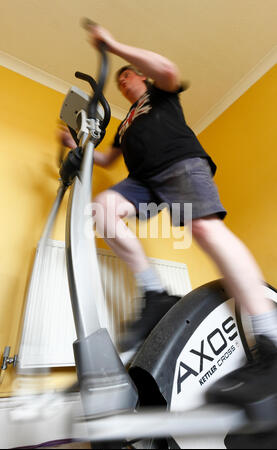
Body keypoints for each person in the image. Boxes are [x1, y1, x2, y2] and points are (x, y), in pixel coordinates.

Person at [60, 24, 277, 408]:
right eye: (120, 78)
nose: (123, 81)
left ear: (141, 78)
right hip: (142, 182)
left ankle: (271, 336)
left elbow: (168, 68)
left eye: (128, 75)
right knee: (104, 210)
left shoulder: (160, 95)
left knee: (203, 230)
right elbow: (107, 160)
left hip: (179, 162)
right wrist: (78, 145)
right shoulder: (125, 124)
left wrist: (112, 45)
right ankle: (155, 292)